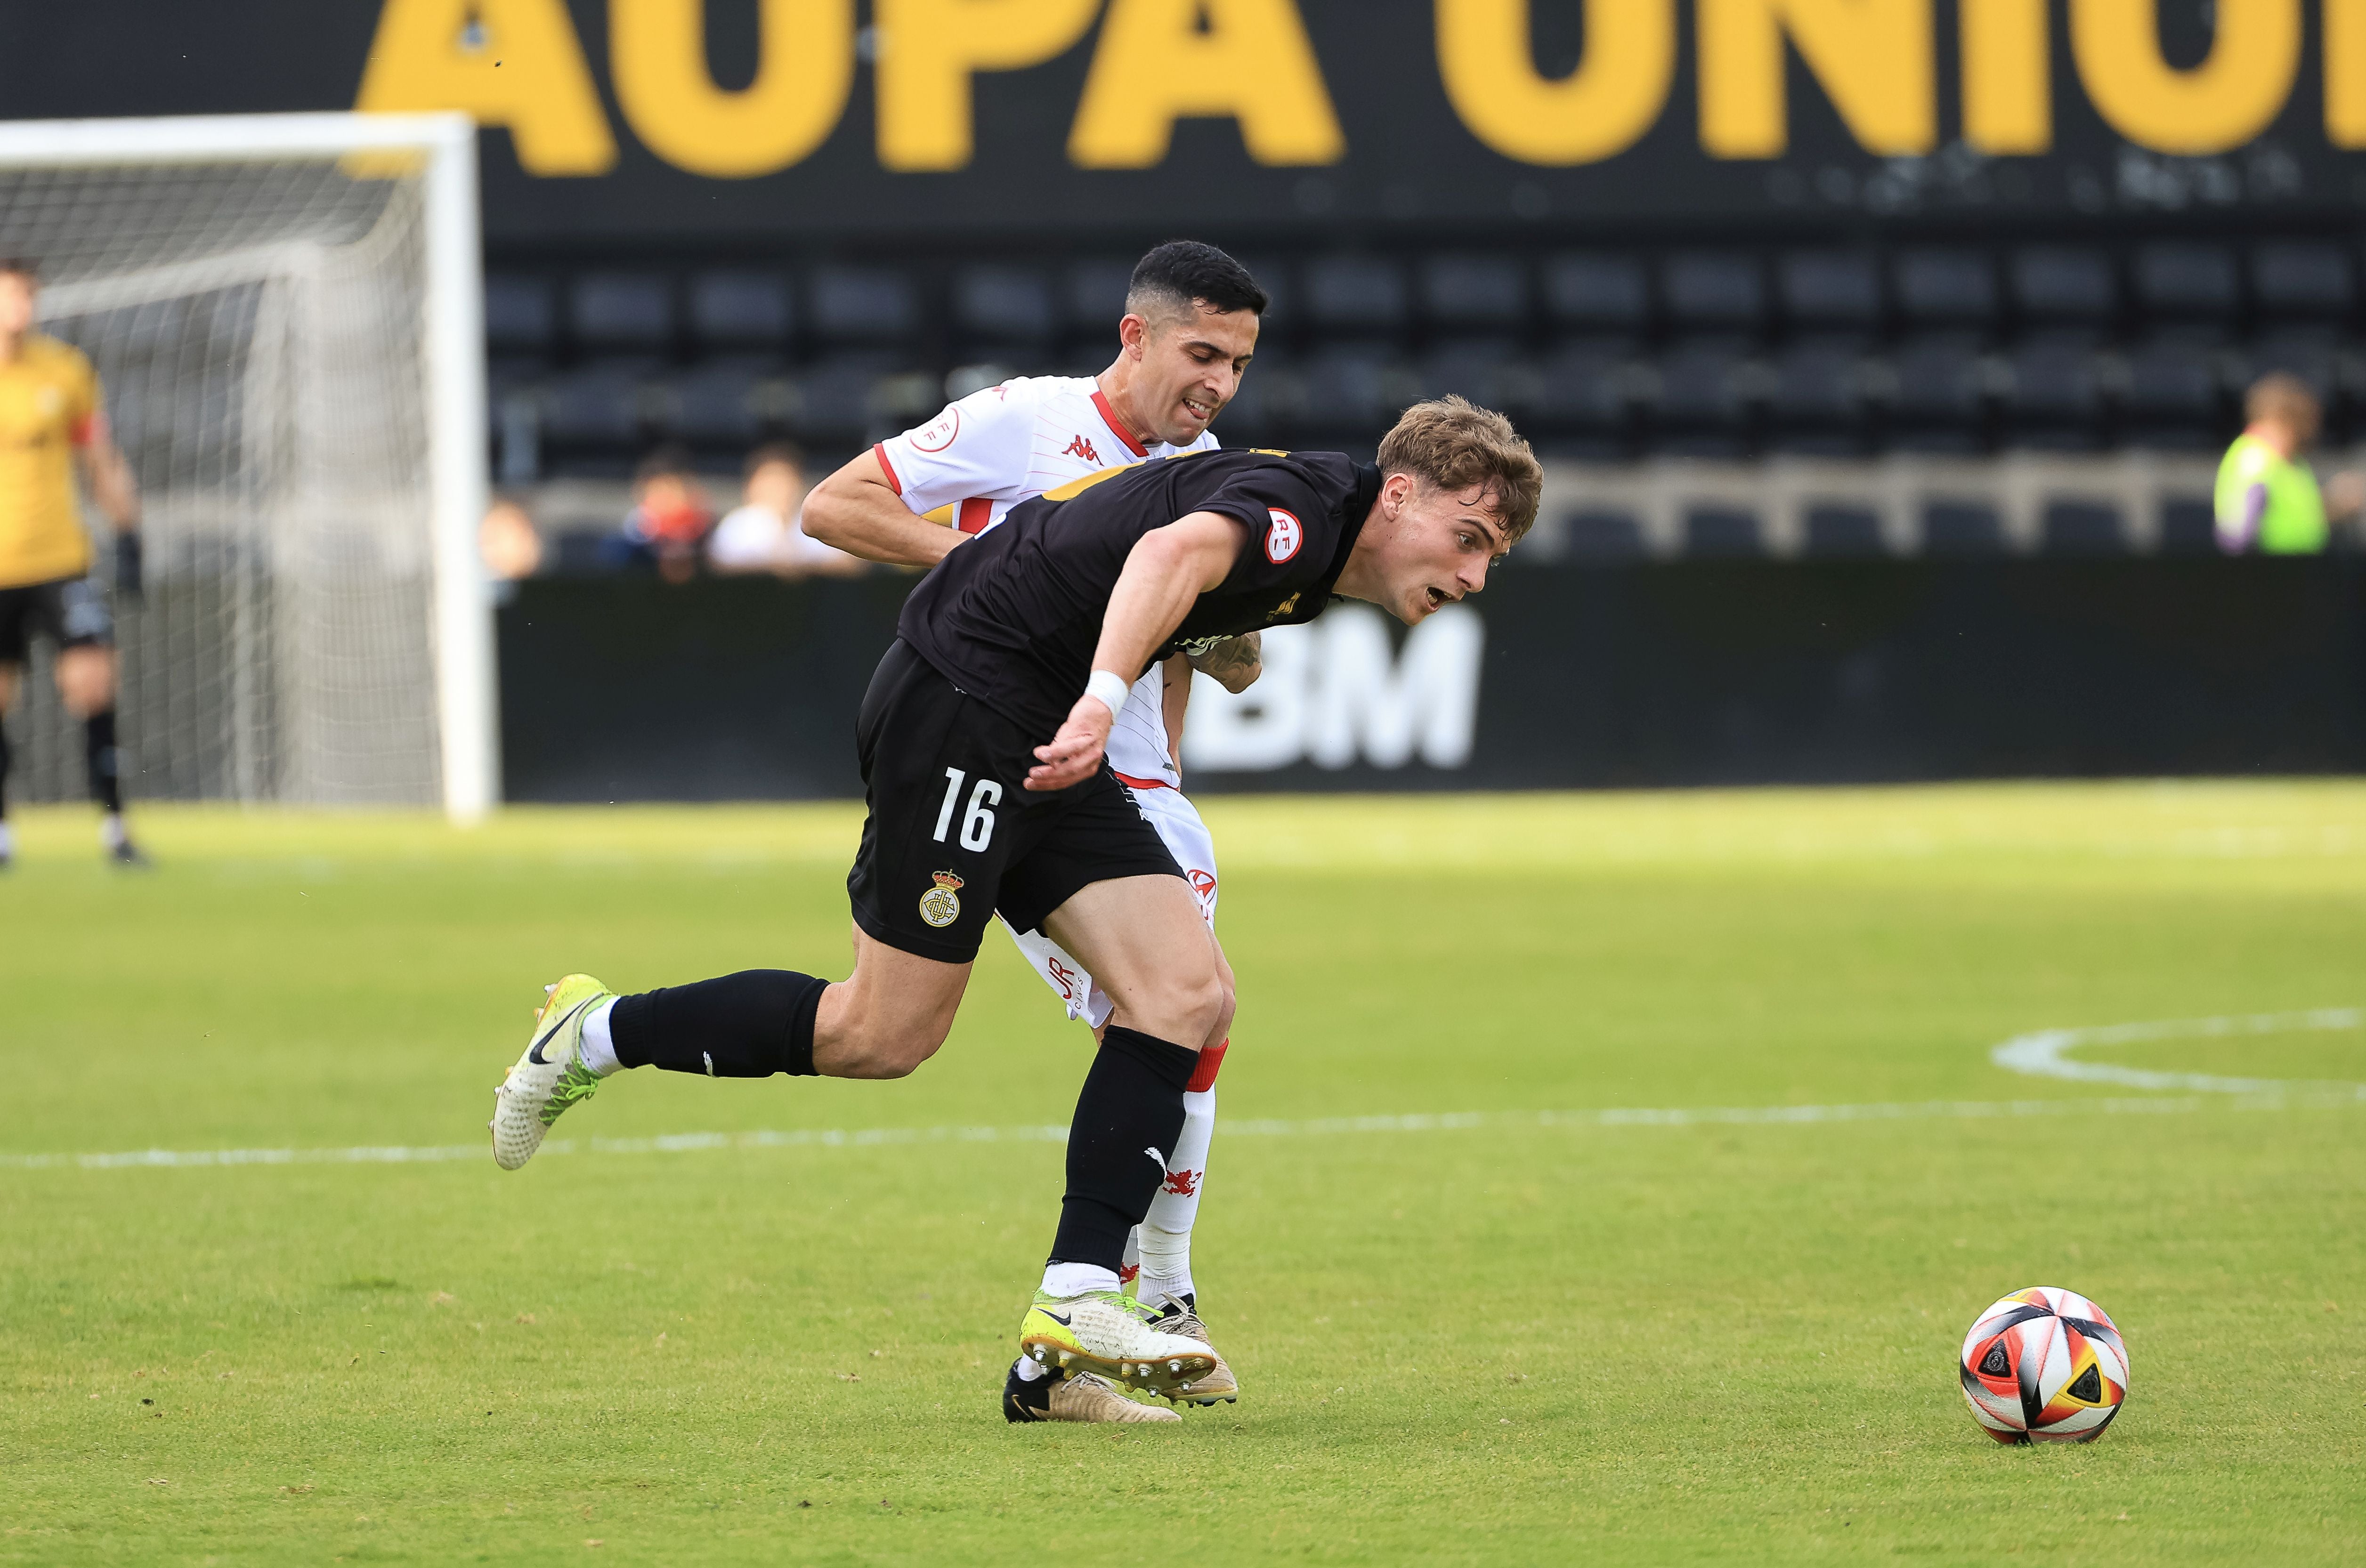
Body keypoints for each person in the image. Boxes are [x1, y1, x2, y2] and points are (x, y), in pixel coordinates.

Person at [486, 396, 1543, 1426]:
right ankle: (597, 1031)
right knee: (882, 1033)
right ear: (1398, 494)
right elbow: (1168, 559)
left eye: (1491, 557)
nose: (1473, 575)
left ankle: (1077, 1304)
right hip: (967, 704)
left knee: (1186, 993)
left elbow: (1182, 582)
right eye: (1467, 539)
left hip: (1033, 730)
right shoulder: (1301, 513)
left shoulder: (1313, 541)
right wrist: (1102, 695)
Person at [800, 239, 1263, 1423]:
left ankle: (1133, 1304)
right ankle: (1128, 1305)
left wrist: (1206, 629)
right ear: (1135, 337)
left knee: (1184, 1008)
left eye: (1238, 364)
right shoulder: (1026, 421)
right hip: (1008, 755)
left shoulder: (1206, 469)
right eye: (1200, 354)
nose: (1216, 384)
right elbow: (833, 503)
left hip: (1137, 781)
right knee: (923, 1026)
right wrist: (1007, 574)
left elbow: (1232, 662)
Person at [0, 257, 146, 869]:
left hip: (61, 558)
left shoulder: (64, 369)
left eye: (27, 298)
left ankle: (115, 826)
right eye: (9, 298)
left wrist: (129, 531)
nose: (19, 310)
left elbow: (100, 459)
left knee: (93, 682)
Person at [2215, 373, 2364, 554]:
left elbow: (2300, 520)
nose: (2305, 435)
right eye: (2300, 425)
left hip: (2303, 571)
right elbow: (2237, 536)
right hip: (2272, 574)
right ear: (2279, 420)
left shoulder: (2293, 463)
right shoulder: (2253, 459)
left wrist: (2336, 504)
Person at [708, 443, 864, 578]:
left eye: (786, 481)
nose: (780, 490)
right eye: (771, 481)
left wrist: (800, 566)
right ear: (752, 485)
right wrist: (772, 567)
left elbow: (851, 566)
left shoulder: (813, 520)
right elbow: (718, 567)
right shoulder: (738, 523)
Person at [601, 446, 713, 582]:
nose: (671, 501)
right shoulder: (624, 548)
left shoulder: (712, 539)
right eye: (662, 492)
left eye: (676, 490)